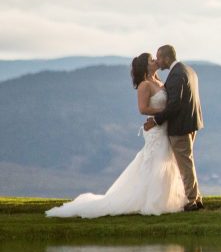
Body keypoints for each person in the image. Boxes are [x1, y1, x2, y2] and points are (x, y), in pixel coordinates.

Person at [46, 52, 188, 218]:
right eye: (151, 60)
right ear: (145, 66)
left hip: (164, 127)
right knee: (155, 161)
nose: (156, 61)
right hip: (155, 130)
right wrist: (164, 112)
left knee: (166, 162)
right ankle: (152, 201)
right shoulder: (145, 85)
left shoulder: (159, 82)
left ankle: (167, 198)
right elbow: (143, 109)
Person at [145, 44, 205, 211]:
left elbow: (174, 105)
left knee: (185, 164)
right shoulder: (188, 70)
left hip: (180, 127)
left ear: (166, 58)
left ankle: (192, 201)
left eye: (159, 57)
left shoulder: (177, 75)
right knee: (188, 161)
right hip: (192, 123)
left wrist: (156, 120)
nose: (157, 61)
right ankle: (196, 197)